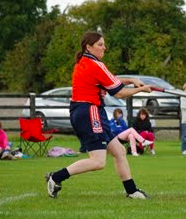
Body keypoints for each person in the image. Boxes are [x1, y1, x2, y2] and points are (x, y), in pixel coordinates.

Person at [46, 31, 153, 199]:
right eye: (100, 44)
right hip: (89, 111)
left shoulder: (86, 62)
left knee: (119, 151)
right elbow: (118, 94)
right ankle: (55, 177)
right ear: (88, 47)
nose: (105, 47)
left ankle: (131, 191)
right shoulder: (95, 65)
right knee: (98, 161)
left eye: (104, 44)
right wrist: (141, 89)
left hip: (88, 111)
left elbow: (110, 80)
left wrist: (132, 80)